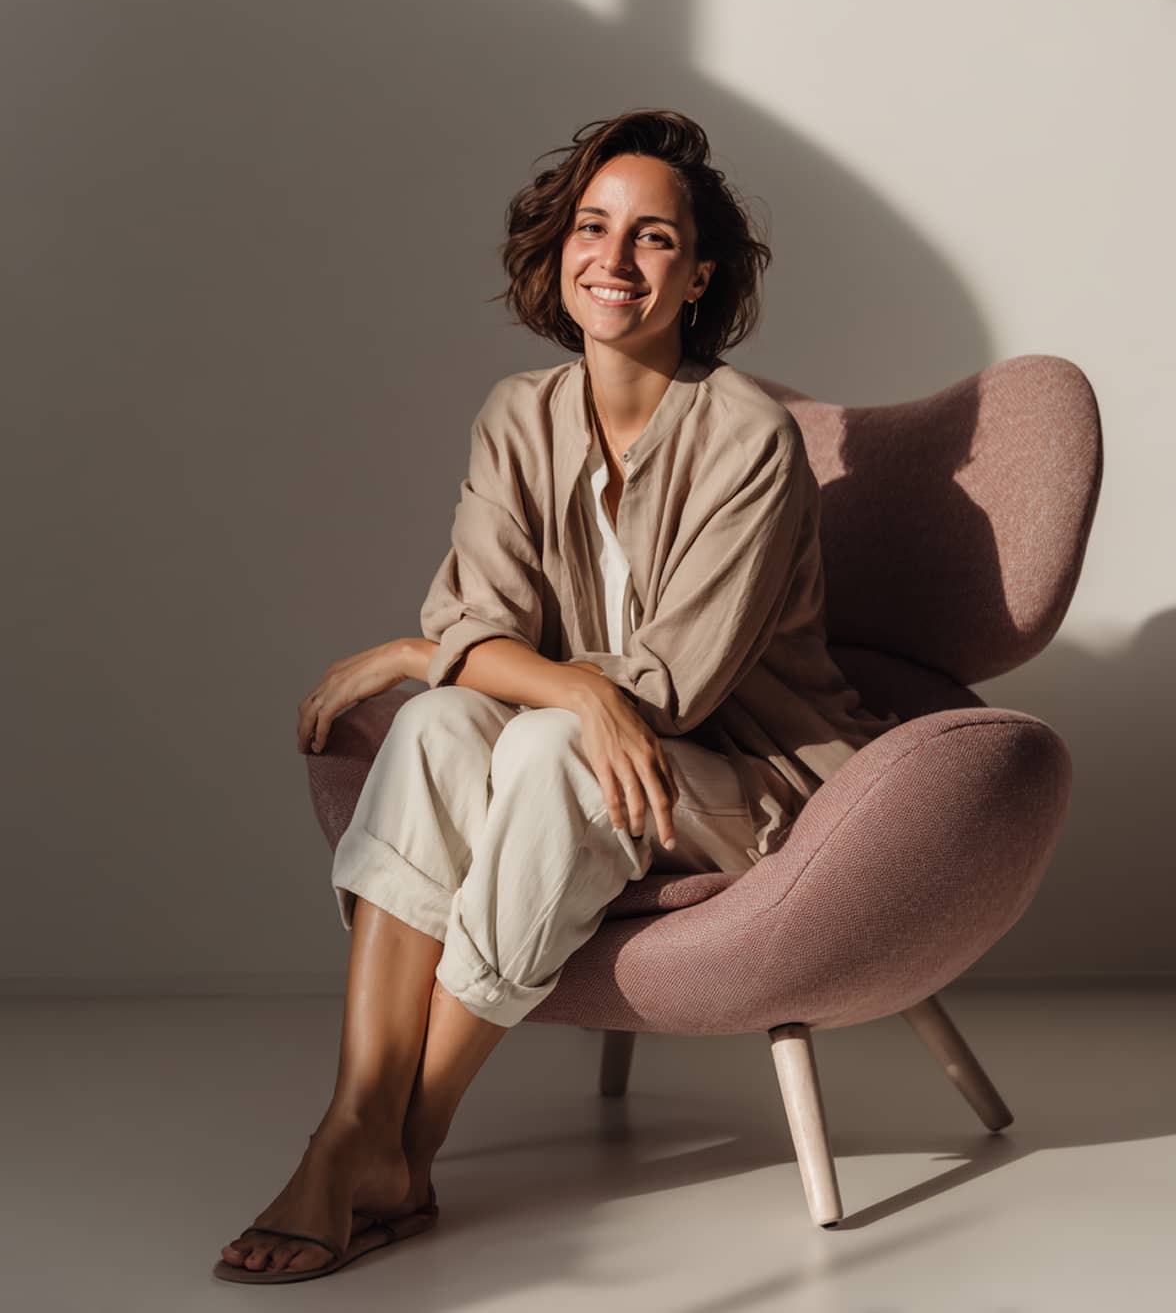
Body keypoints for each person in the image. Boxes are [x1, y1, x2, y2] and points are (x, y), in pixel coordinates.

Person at [215, 109, 900, 1283]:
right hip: (596, 758)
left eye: (653, 237)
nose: (613, 259)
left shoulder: (750, 439)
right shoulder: (517, 415)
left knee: (543, 750)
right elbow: (476, 626)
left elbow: (668, 689)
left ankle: (402, 1147)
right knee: (439, 725)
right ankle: (352, 1123)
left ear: (699, 275)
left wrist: (434, 651)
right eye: (593, 227)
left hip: (755, 788)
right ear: (561, 247)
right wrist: (456, 667)